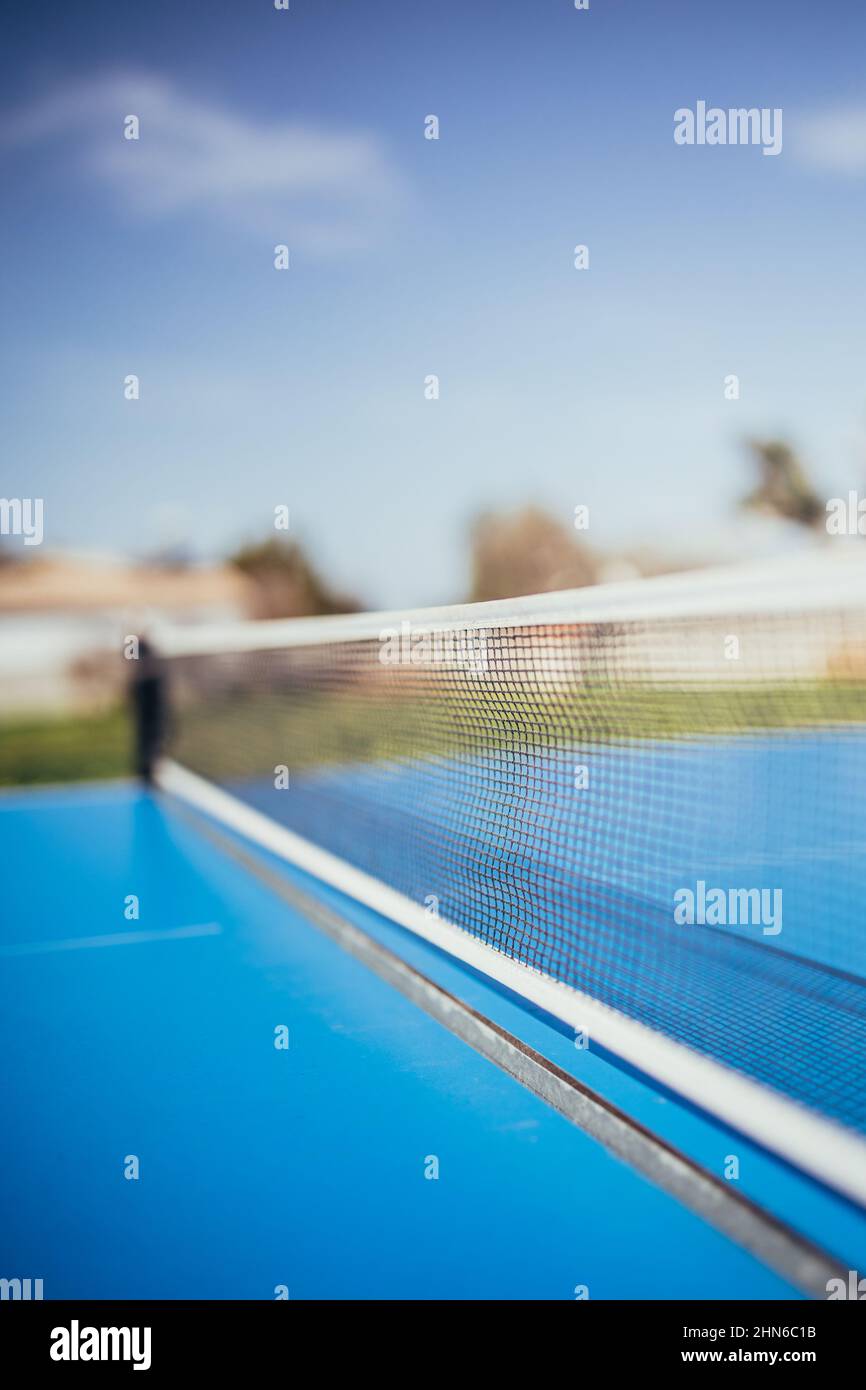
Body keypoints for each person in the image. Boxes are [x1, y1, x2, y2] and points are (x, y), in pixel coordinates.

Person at [129, 637, 166, 784]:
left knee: (156, 729)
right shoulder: (130, 643)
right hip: (143, 688)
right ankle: (146, 767)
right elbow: (130, 656)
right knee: (146, 731)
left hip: (151, 687)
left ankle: (152, 764)